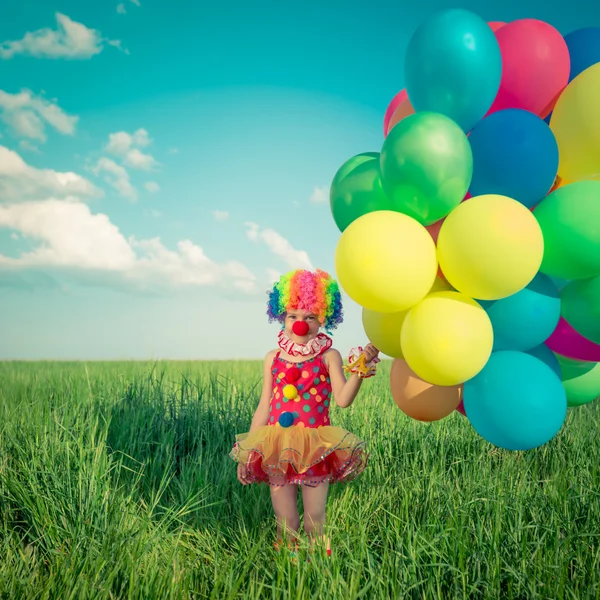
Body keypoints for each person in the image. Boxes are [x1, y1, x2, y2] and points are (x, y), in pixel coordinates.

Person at [229, 268, 380, 559]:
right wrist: (247, 450)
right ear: (281, 317)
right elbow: (264, 406)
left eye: (310, 317)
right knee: (285, 522)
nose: (301, 324)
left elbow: (343, 399)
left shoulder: (328, 356)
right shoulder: (273, 357)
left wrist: (360, 370)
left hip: (315, 448)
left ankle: (319, 572)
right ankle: (289, 572)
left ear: (324, 318)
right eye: (293, 316)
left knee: (315, 520)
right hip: (276, 447)